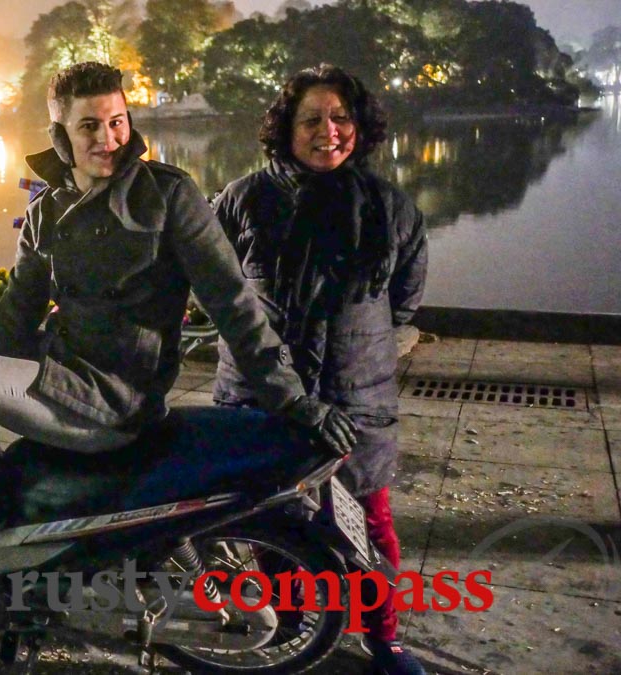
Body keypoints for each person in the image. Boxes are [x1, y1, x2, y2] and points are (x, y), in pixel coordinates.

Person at [0, 61, 356, 464]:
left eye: (116, 122)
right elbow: (14, 320)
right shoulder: (45, 211)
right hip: (60, 364)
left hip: (112, 400)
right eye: (89, 126)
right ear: (59, 136)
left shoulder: (166, 196)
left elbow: (232, 303)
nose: (108, 140)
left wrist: (292, 399)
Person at [210, 64, 428, 675]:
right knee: (271, 524)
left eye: (340, 118)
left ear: (359, 127)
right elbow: (216, 291)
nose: (327, 132)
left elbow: (405, 301)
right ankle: (291, 632)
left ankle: (384, 640)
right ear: (286, 128)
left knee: (371, 528)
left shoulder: (392, 209)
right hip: (263, 398)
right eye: (311, 119)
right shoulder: (245, 200)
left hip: (357, 400)